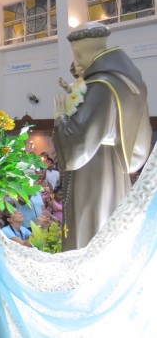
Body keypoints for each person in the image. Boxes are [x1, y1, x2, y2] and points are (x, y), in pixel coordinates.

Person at [53, 22, 152, 250]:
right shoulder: (125, 81)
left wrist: (60, 119)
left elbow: (78, 147)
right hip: (115, 165)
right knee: (110, 220)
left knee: (92, 226)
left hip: (93, 170)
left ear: (80, 52)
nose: (76, 63)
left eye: (76, 55)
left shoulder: (101, 86)